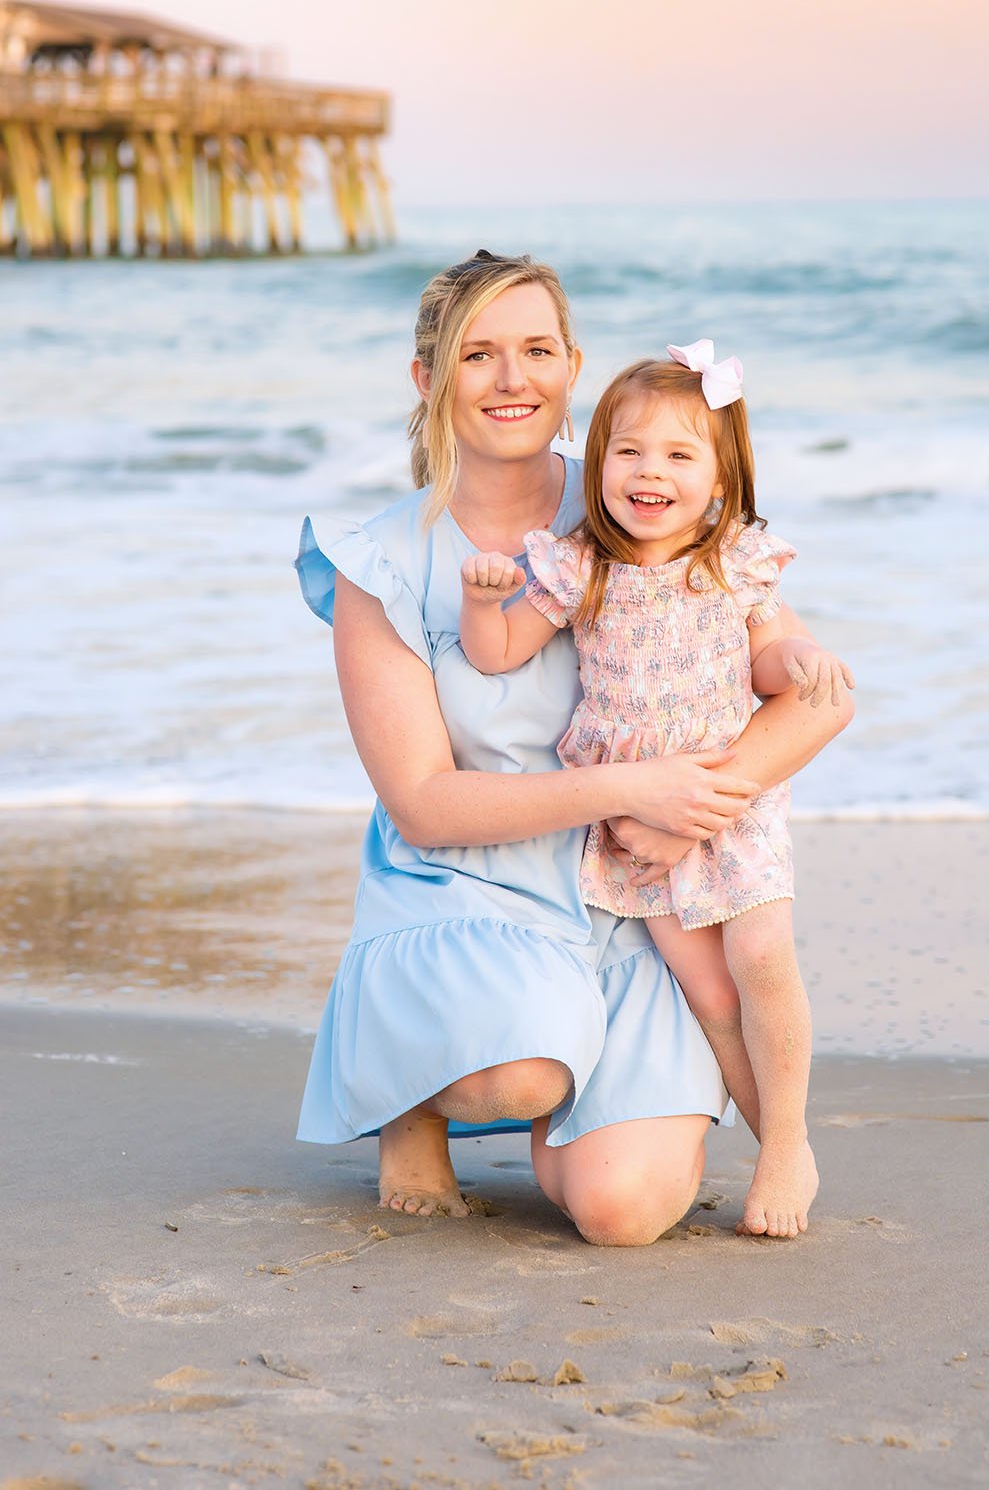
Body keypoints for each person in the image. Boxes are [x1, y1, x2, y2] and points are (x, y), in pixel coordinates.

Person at [294, 250, 853, 1245]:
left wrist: (689, 815)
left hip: (628, 886)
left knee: (623, 1210)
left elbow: (813, 701)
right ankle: (417, 1094)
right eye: (478, 355)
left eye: (537, 350)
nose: (512, 380)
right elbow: (424, 801)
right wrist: (633, 787)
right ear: (427, 381)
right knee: (518, 1070)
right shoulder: (379, 563)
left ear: (572, 367)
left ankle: (584, 1098)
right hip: (468, 886)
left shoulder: (639, 498)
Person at [458, 344, 850, 1237]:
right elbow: (497, 652)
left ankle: (786, 1142)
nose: (650, 473)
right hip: (634, 821)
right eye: (628, 451)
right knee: (711, 997)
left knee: (761, 961)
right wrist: (485, 601)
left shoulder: (736, 563)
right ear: (598, 465)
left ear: (720, 477)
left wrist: (803, 656)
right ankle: (777, 1143)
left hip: (728, 806)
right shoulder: (578, 565)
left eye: (679, 455)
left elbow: (768, 660)